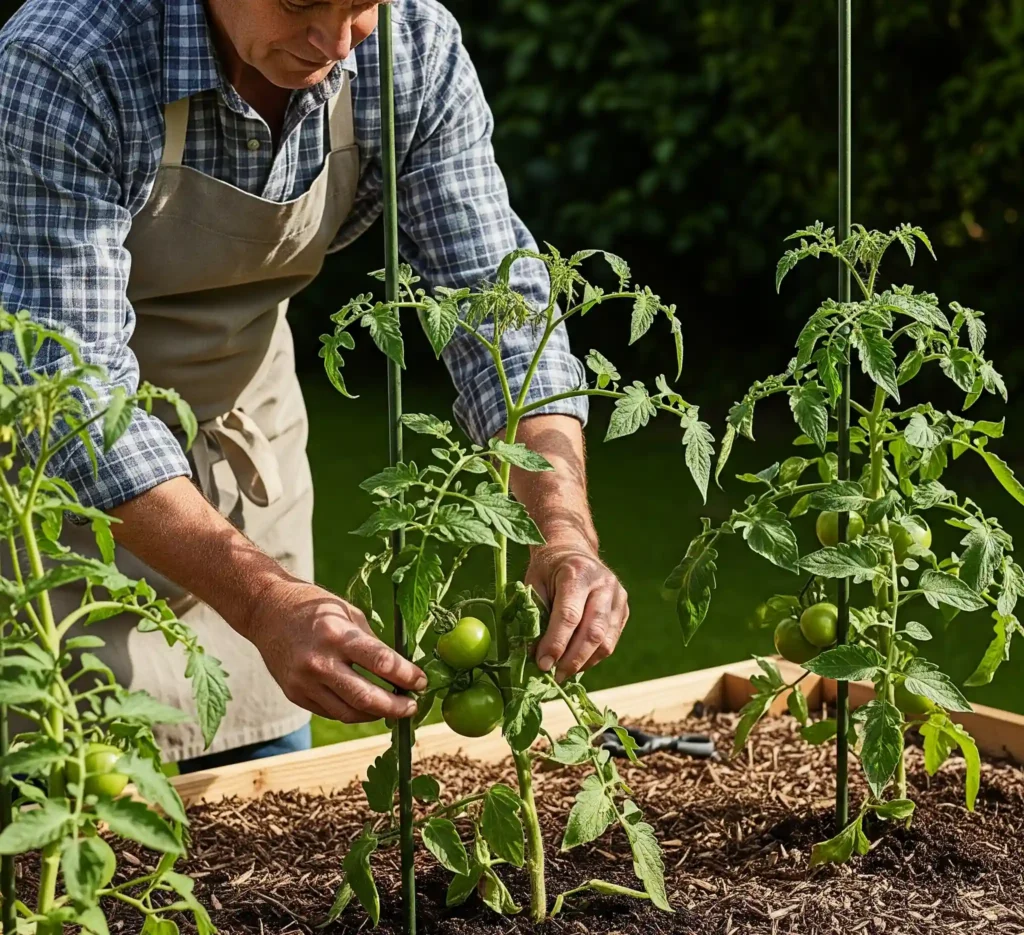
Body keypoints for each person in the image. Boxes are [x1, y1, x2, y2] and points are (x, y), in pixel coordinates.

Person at [0, 0, 629, 770]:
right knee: (68, 828)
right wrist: (264, 599)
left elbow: (502, 319)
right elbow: (71, 394)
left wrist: (562, 530)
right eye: (300, 2)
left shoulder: (410, 49)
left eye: (360, 5)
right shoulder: (70, 61)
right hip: (50, 518)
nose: (334, 44)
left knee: (262, 801)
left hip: (246, 472)